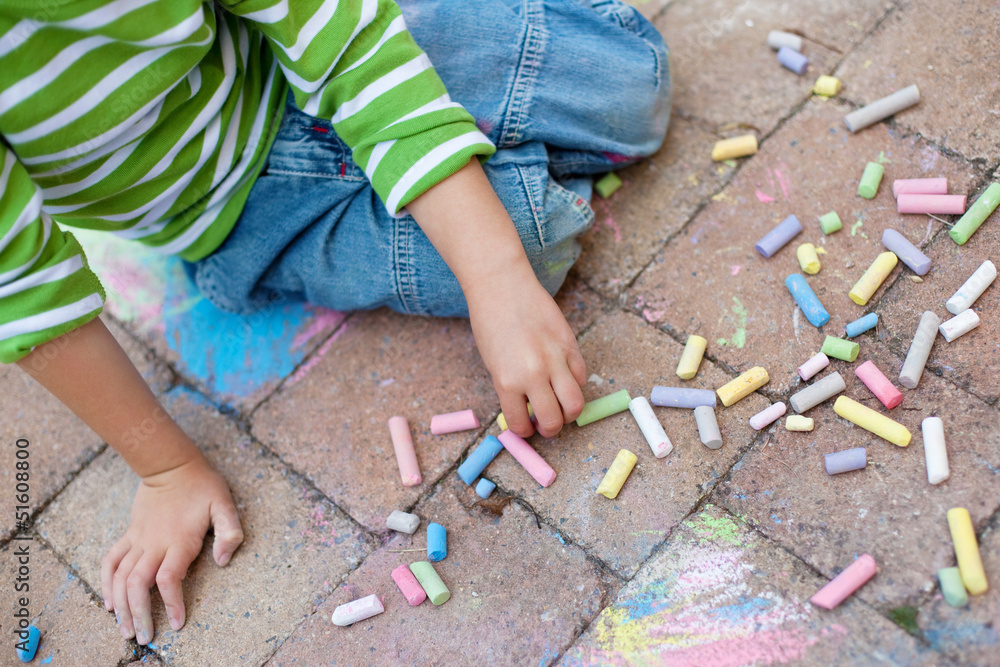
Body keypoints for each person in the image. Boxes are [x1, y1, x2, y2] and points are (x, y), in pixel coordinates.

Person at [1, 0, 670, 645]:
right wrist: (166, 469)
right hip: (249, 216)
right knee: (536, 232)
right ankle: (469, 166)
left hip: (305, 64)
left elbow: (344, 41)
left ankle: (459, 158)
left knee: (632, 86)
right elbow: (24, 287)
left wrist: (494, 277)